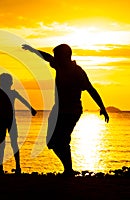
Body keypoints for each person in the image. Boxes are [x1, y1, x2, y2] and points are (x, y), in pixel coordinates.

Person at [22, 43, 109, 176]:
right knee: (51, 142)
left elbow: (90, 89)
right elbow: (47, 57)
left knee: (62, 140)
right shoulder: (59, 66)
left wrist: (102, 107)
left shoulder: (78, 72)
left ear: (65, 56)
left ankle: (68, 170)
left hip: (72, 111)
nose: (55, 58)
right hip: (57, 110)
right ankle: (68, 169)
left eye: (58, 56)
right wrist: (33, 50)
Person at [0, 59, 37, 174]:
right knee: (2, 144)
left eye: (5, 81)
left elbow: (23, 100)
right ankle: (3, 168)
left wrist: (31, 108)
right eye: (3, 81)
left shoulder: (12, 93)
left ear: (10, 83)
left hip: (10, 120)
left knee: (13, 144)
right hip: (2, 120)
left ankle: (17, 167)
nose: (4, 83)